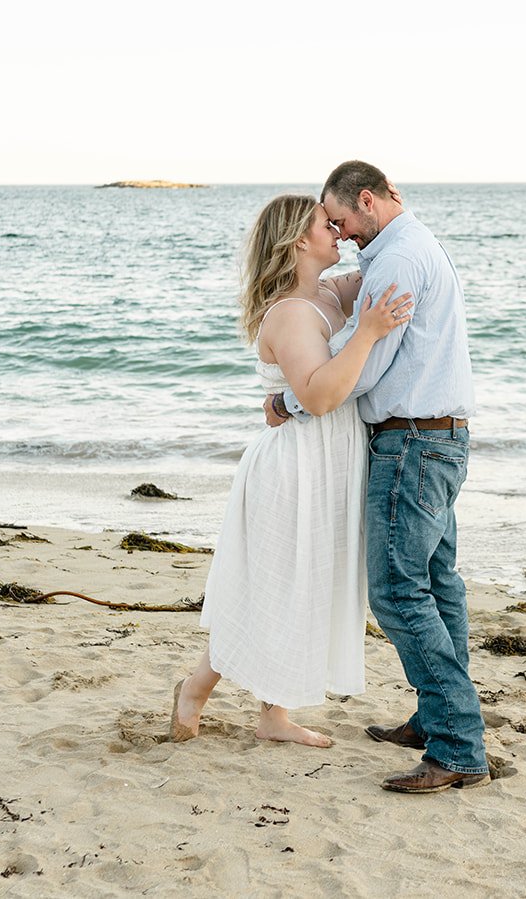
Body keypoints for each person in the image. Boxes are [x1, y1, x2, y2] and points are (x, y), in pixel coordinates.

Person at [265, 160, 486, 793]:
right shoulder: (414, 243)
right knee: (439, 585)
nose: (342, 233)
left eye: (342, 220)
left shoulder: (395, 260)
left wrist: (288, 401)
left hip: (412, 444)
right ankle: (438, 719)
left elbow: (359, 373)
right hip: (441, 438)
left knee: (398, 593)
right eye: (328, 226)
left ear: (368, 200)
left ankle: (458, 748)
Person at [169, 193, 413, 747]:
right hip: (295, 467)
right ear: (300, 241)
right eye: (327, 226)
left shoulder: (328, 295)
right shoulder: (290, 315)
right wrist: (370, 332)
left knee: (302, 588)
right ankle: (194, 690)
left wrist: (386, 205)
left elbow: (386, 255)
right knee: (271, 592)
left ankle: (272, 717)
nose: (339, 233)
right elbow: (322, 396)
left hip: (328, 462)